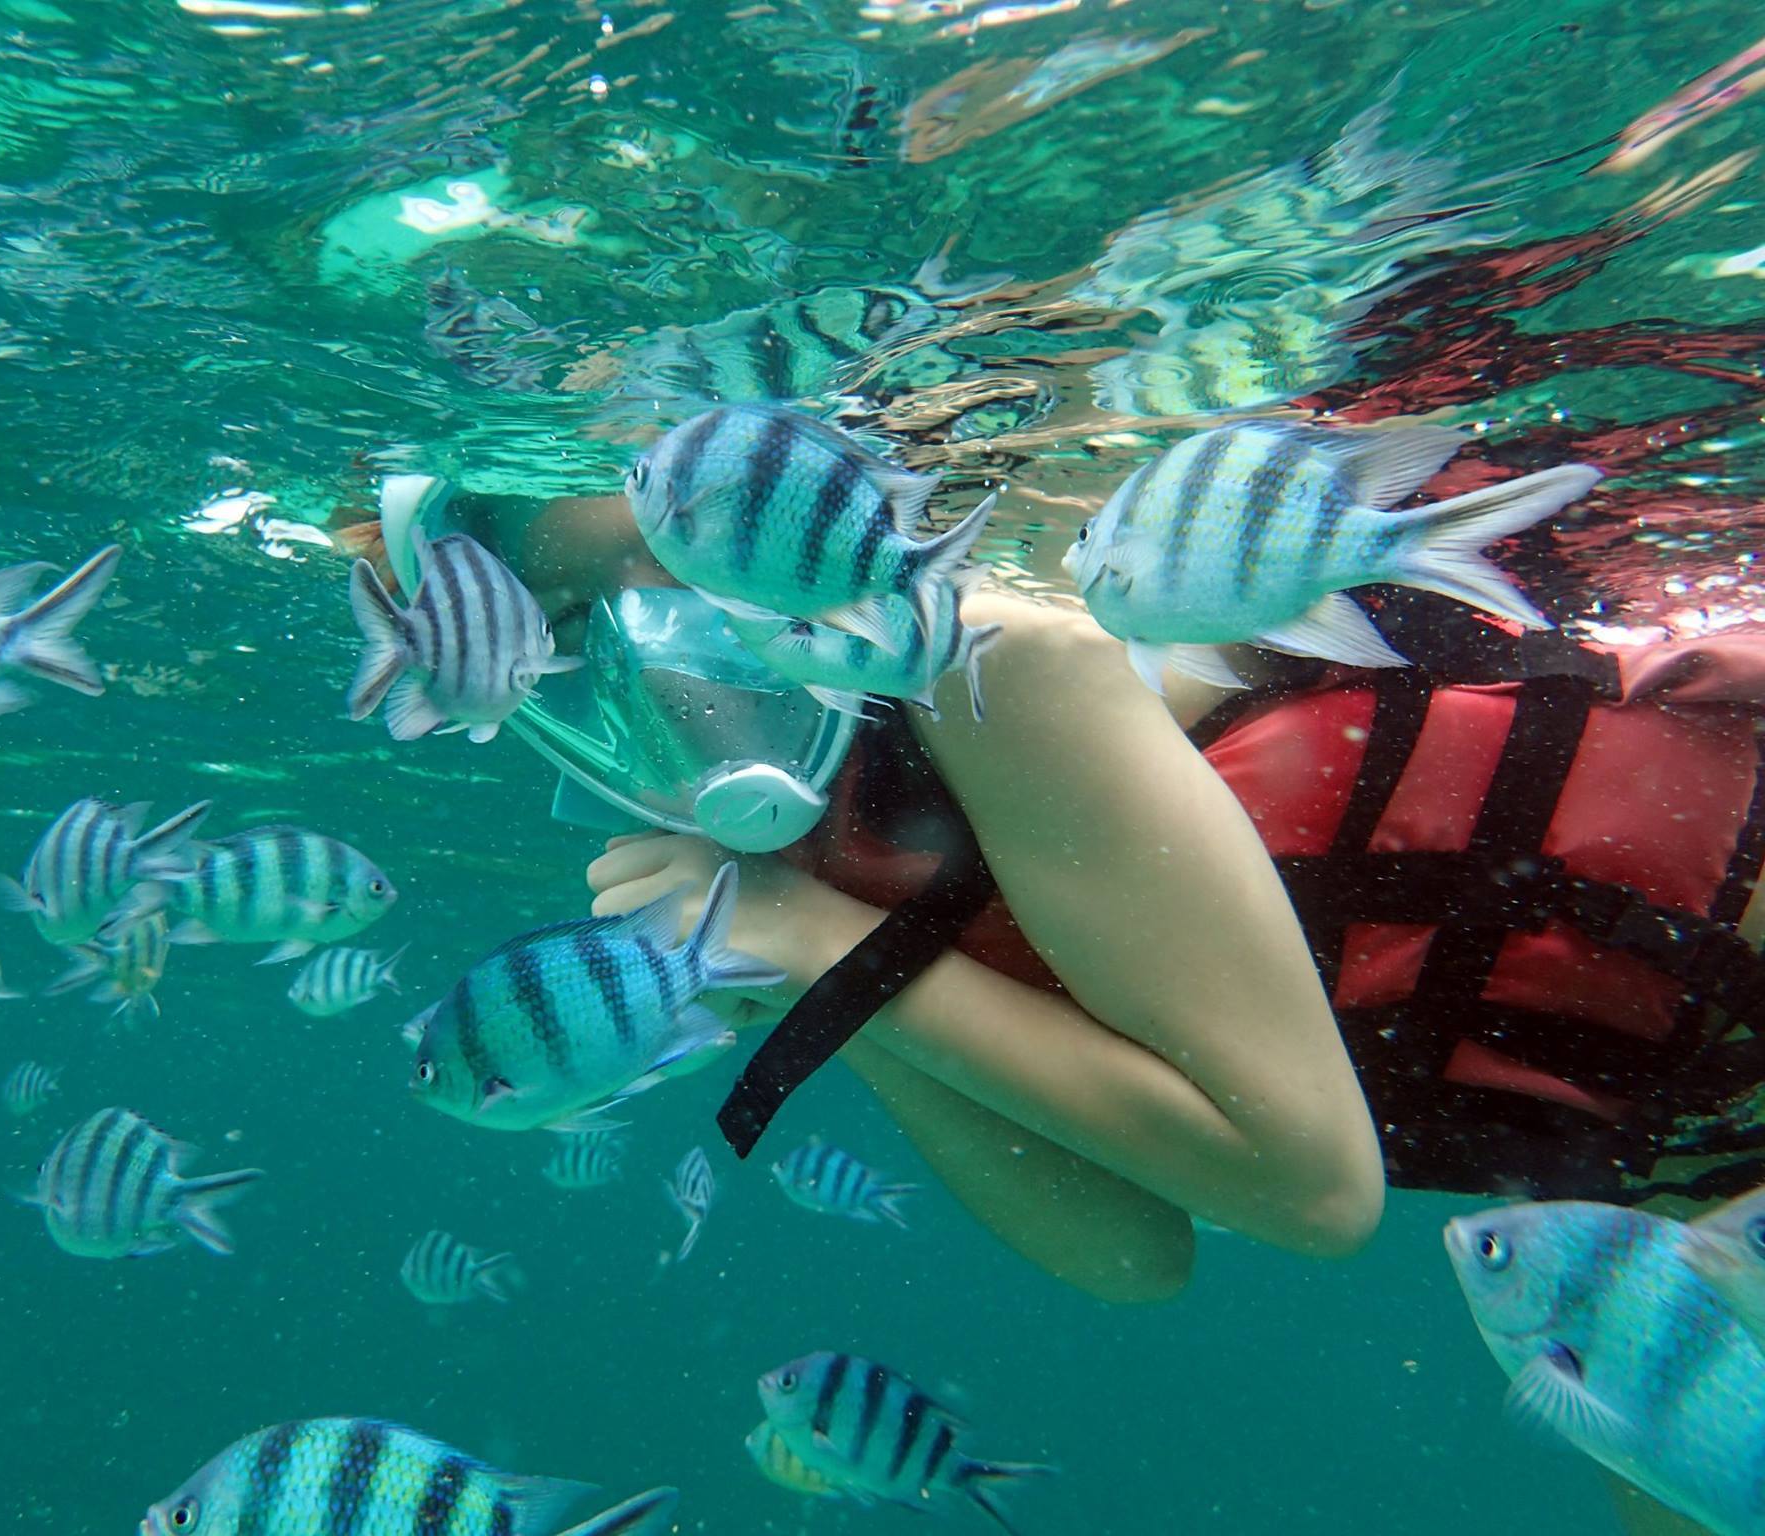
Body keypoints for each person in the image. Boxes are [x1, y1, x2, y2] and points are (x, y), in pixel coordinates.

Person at [346, 469, 1765, 1311]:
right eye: (572, 659)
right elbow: (1130, 1254)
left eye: (635, 594)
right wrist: (805, 961)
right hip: (1710, 1121)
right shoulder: (815, 834)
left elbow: (1314, 1195)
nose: (649, 669)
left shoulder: (991, 661)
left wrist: (812, 933)